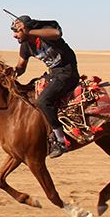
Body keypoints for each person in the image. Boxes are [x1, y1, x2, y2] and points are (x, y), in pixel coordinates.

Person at [11, 15, 79, 158]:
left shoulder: (45, 36)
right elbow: (21, 67)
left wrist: (28, 31)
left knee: (43, 101)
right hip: (53, 74)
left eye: (17, 31)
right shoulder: (25, 46)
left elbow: (57, 33)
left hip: (67, 73)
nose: (14, 35)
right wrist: (11, 73)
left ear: (26, 29)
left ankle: (61, 141)